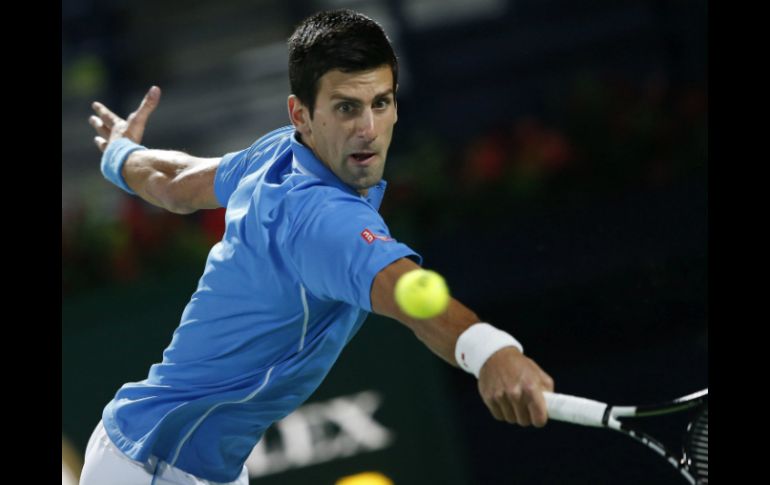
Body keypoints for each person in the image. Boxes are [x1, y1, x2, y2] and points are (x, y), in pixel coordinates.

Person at [80, 9, 554, 485]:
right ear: (301, 115)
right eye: (347, 107)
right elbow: (409, 293)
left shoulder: (278, 152)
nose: (368, 127)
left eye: (381, 103)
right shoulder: (323, 218)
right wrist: (492, 351)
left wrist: (121, 154)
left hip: (160, 454)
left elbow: (175, 182)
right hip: (157, 467)